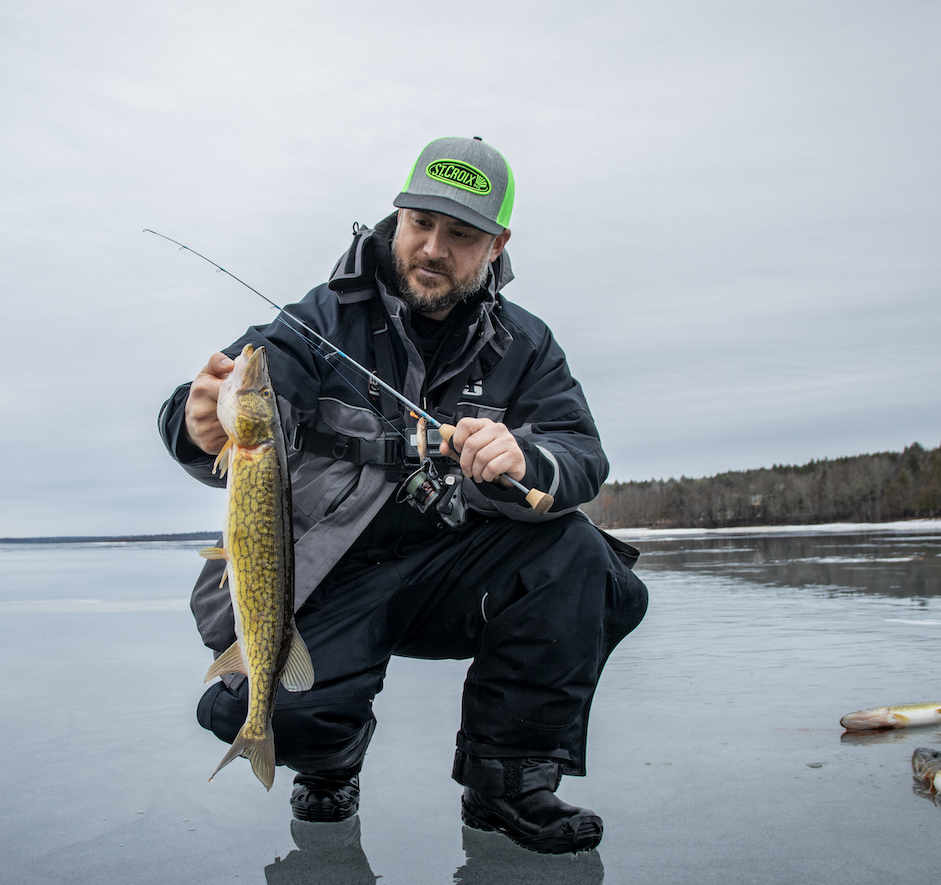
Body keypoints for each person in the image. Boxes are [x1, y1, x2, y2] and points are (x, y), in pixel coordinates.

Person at [158, 136, 648, 855]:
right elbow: (211, 399)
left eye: (460, 234)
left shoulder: (525, 345)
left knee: (580, 558)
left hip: (455, 573)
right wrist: (200, 423)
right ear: (397, 216)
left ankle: (506, 782)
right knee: (269, 711)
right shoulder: (317, 321)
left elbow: (580, 454)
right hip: (329, 578)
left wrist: (526, 455)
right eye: (420, 222)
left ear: (495, 244)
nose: (431, 247)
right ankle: (327, 759)